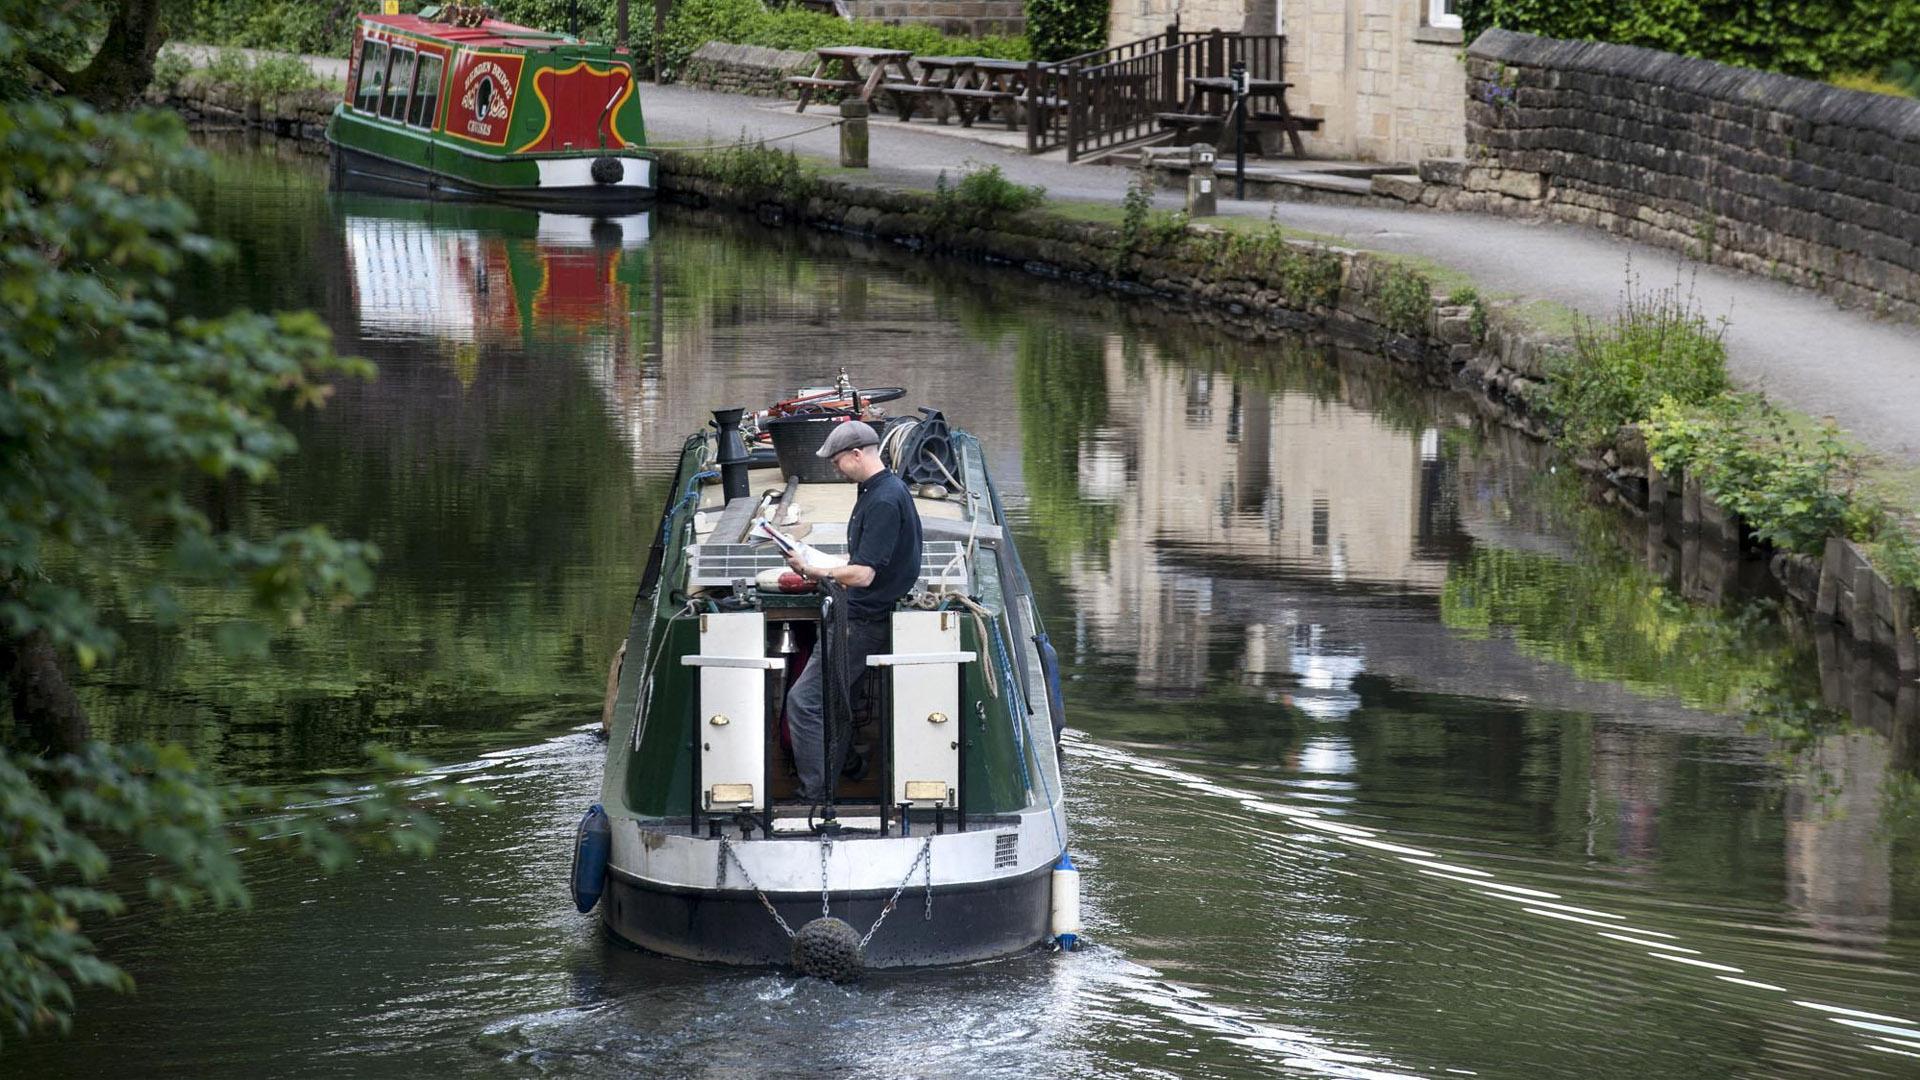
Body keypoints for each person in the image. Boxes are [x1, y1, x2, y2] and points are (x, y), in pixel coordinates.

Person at [784, 420, 922, 804]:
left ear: (858, 454)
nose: (834, 468)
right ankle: (845, 771)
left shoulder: (883, 500)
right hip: (862, 616)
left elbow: (863, 574)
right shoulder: (879, 490)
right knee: (836, 705)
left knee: (803, 702)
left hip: (860, 622)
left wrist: (811, 569)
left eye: (837, 460)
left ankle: (815, 795)